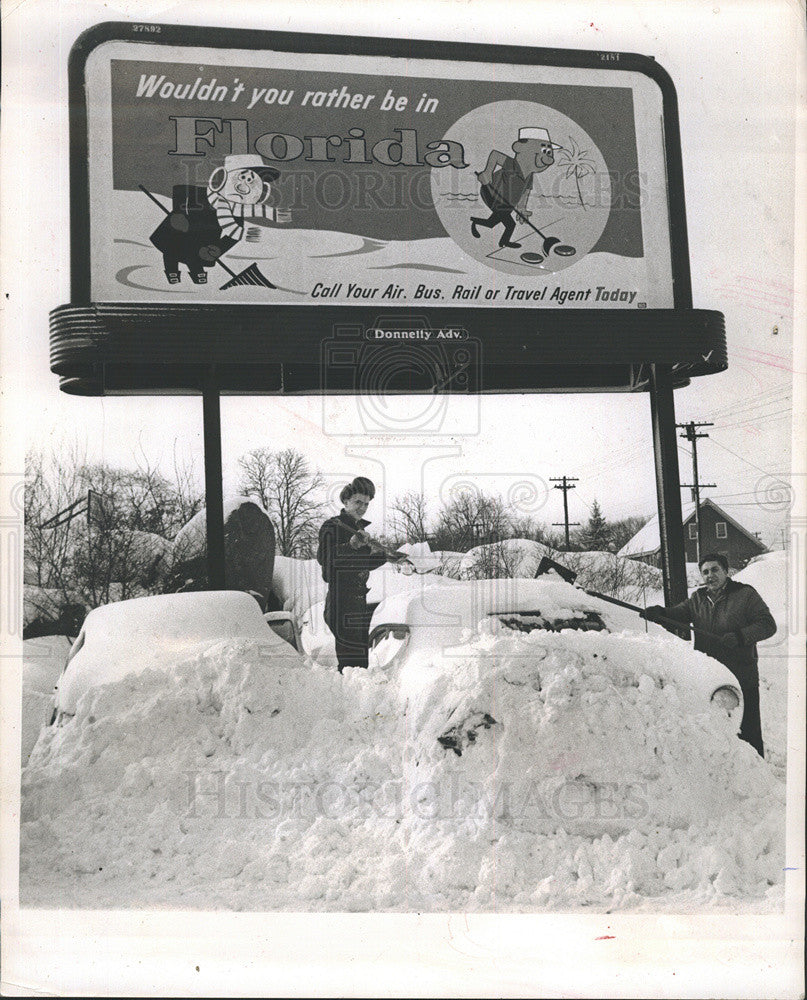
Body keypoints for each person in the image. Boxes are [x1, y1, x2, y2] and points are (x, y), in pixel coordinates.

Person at [641, 553, 776, 757]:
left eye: (714, 570)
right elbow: (679, 614)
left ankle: (756, 777)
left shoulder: (745, 594)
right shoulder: (698, 598)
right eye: (705, 572)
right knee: (714, 729)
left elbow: (768, 625)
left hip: (741, 673)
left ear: (726, 571)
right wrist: (659, 613)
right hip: (710, 676)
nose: (709, 575)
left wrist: (740, 637)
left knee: (748, 730)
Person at [317, 477, 408, 673]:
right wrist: (350, 545)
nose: (362, 507)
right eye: (358, 502)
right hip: (340, 603)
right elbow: (325, 560)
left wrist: (387, 558)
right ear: (346, 501)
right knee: (351, 666)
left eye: (366, 503)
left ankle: (357, 699)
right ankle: (347, 700)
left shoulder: (360, 530)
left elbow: (360, 564)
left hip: (358, 602)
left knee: (361, 666)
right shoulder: (331, 527)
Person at [470, 126, 562, 248]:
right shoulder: (512, 164)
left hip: (508, 202)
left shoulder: (529, 176)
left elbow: (525, 193)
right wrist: (487, 172)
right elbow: (495, 155)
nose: (548, 159)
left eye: (549, 153)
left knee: (492, 223)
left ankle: (475, 222)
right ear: (519, 147)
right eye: (543, 150)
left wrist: (522, 208)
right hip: (492, 192)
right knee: (510, 225)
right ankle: (504, 242)